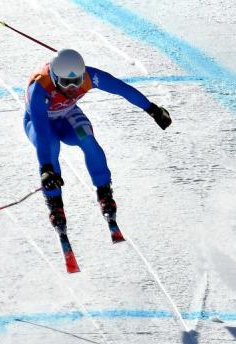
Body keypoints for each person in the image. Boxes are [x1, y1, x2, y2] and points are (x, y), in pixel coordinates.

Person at [23, 48, 171, 239]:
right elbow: (42, 132)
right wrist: (46, 168)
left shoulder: (89, 76)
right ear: (53, 77)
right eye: (66, 83)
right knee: (51, 145)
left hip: (66, 116)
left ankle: (104, 192)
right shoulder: (40, 88)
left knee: (87, 138)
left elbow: (121, 88)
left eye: (76, 81)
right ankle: (55, 203)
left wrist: (152, 109)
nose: (72, 88)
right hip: (39, 123)